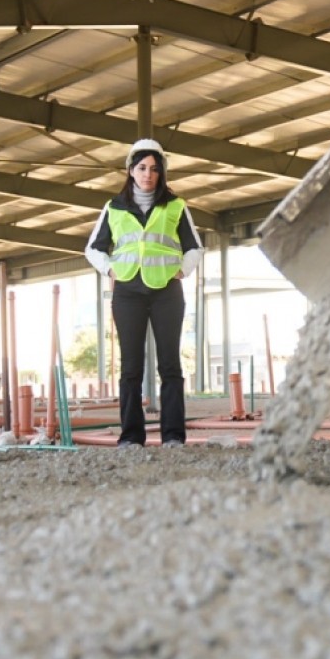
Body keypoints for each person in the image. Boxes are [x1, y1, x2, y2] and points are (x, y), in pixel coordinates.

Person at [84, 139, 204, 447]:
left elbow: (194, 246)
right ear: (130, 170)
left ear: (162, 172)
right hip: (128, 293)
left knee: (170, 366)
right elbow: (93, 248)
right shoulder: (114, 207)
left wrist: (183, 270)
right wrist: (110, 270)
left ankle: (174, 436)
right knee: (131, 368)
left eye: (154, 169)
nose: (148, 175)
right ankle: (131, 437)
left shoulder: (176, 205)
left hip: (167, 291)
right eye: (142, 168)